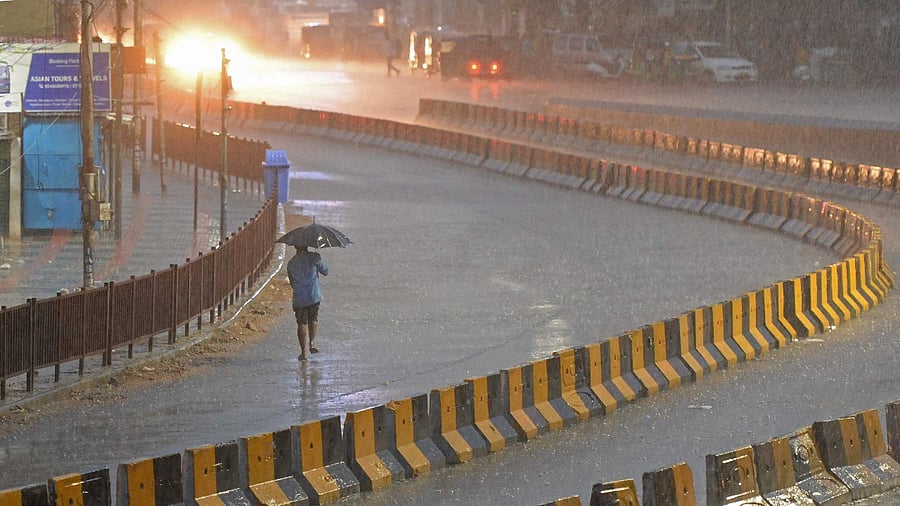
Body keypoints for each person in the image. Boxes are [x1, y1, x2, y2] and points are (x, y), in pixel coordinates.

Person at [287, 245, 329, 360]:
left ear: (295, 247)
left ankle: (303, 352)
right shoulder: (314, 257)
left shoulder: (291, 263)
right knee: (313, 318)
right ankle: (312, 343)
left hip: (300, 298)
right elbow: (326, 271)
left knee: (302, 323)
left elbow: (292, 283)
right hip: (314, 295)